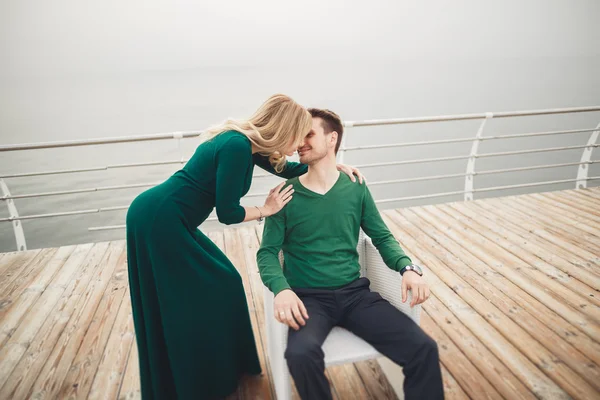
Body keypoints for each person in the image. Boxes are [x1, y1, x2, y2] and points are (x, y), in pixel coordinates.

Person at [125, 95, 364, 400]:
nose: (298, 146)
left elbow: (291, 170)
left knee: (225, 281)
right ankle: (194, 378)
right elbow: (228, 213)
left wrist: (336, 167)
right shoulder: (237, 147)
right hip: (159, 221)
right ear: (284, 128)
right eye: (298, 136)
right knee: (185, 298)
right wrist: (267, 209)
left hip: (168, 219)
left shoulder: (251, 146)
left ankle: (224, 365)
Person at [257, 108, 444, 400]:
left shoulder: (355, 187)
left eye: (308, 134)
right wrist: (281, 290)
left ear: (332, 139)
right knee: (300, 354)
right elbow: (267, 254)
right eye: (298, 137)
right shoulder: (285, 195)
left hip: (356, 295)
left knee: (424, 348)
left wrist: (408, 268)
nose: (299, 143)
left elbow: (381, 236)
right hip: (309, 300)